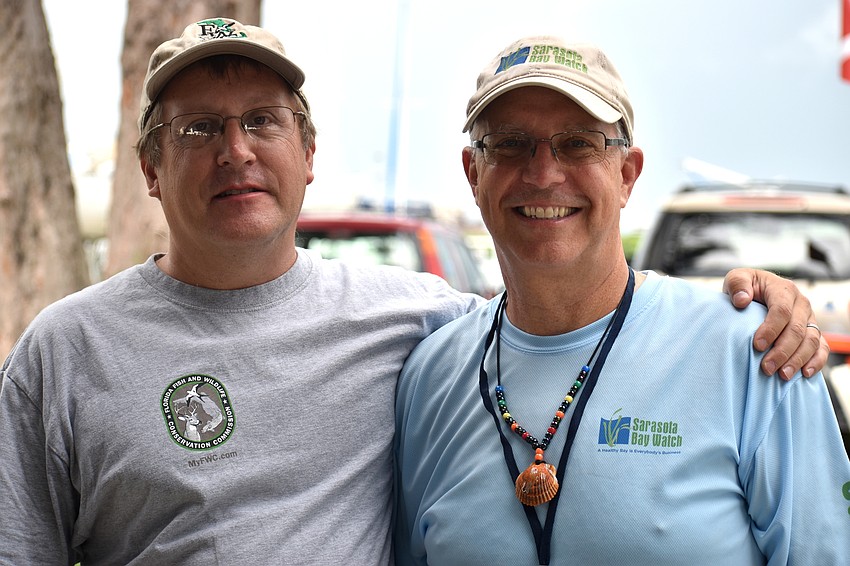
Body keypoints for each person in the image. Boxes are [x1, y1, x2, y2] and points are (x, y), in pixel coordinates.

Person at [0, 19, 828, 566]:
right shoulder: (65, 353)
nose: (236, 150)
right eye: (198, 128)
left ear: (308, 150)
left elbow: (576, 314)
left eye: (262, 121)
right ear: (148, 165)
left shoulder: (413, 326)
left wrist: (765, 304)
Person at [393, 36, 850, 565]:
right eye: (511, 144)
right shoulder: (429, 376)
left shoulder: (754, 352)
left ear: (627, 173)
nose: (543, 174)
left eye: (579, 143)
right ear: (474, 174)